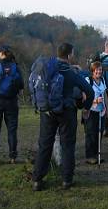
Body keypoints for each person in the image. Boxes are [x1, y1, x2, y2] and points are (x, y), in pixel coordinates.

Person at [32, 43, 94, 191]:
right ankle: (67, 180)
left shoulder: (48, 68)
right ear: (70, 55)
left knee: (45, 144)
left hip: (47, 111)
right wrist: (85, 108)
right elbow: (89, 92)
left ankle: (37, 180)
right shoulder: (71, 74)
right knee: (67, 145)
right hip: (67, 112)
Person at [83, 61, 107, 165]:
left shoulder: (102, 80)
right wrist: (95, 101)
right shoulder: (88, 81)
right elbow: (83, 97)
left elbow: (105, 94)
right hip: (90, 110)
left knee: (99, 132)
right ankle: (89, 156)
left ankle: (97, 154)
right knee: (90, 133)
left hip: (101, 111)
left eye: (100, 69)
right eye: (97, 69)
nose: (99, 71)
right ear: (92, 71)